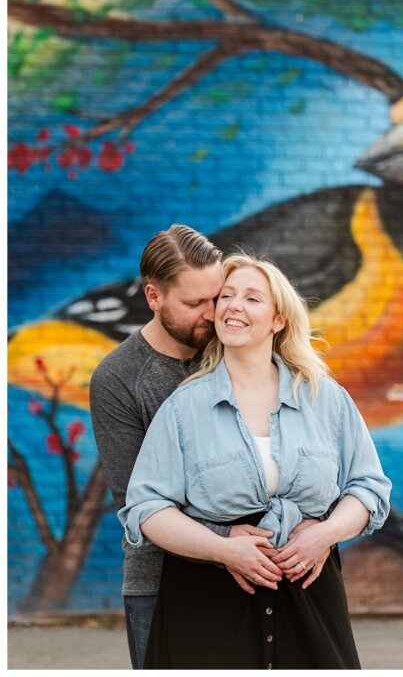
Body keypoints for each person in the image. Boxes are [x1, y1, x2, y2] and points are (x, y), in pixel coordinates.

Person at [119, 253, 391, 669]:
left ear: (278, 319)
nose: (234, 306)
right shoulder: (183, 409)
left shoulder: (325, 398)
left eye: (252, 298)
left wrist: (325, 535)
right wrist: (222, 549)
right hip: (209, 602)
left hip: (310, 596)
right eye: (226, 296)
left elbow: (368, 488)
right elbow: (146, 507)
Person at [90, 224, 277, 669]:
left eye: (218, 297)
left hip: (256, 567)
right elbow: (136, 501)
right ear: (154, 297)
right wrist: (226, 540)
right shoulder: (118, 378)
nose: (214, 315)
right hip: (160, 580)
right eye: (196, 304)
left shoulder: (233, 347)